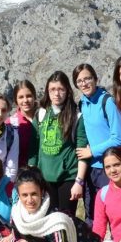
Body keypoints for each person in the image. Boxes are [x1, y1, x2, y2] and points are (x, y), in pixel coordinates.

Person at [72, 63, 121, 226]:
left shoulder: (106, 101)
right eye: (79, 81)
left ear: (96, 79)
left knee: (113, 213)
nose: (84, 83)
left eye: (88, 78)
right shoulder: (82, 103)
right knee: (92, 214)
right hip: (90, 169)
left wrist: (92, 151)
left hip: (108, 168)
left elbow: (119, 138)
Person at [29, 71, 88, 216]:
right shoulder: (41, 114)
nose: (57, 93)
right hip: (44, 178)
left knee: (65, 220)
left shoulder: (76, 116)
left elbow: (82, 151)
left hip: (67, 178)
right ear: (47, 91)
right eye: (52, 89)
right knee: (47, 219)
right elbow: (34, 148)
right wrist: (32, 175)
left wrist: (79, 182)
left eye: (61, 89)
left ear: (67, 91)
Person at [8, 80, 39, 167]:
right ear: (16, 100)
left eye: (29, 96)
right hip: (21, 174)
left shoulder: (45, 118)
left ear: (34, 96)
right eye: (21, 97)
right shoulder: (10, 123)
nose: (25, 100)